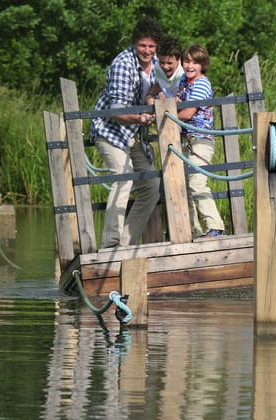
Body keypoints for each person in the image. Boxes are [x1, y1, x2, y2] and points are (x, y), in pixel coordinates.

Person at [90, 16, 162, 249]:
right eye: (143, 45)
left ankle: (127, 243)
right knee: (123, 178)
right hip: (111, 130)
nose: (147, 51)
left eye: (151, 46)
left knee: (151, 187)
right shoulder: (122, 63)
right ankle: (110, 243)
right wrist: (141, 117)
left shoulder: (159, 64)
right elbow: (116, 112)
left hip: (134, 133)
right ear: (135, 44)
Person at [176, 44, 225, 238]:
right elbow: (177, 100)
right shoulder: (183, 80)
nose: (190, 66)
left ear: (203, 65)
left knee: (196, 183)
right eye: (187, 61)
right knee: (183, 185)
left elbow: (187, 113)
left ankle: (216, 226)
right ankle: (193, 230)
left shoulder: (202, 84)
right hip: (186, 139)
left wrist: (167, 110)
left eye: (195, 62)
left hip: (201, 140)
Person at [146, 35, 184, 102]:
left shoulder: (183, 73)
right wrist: (150, 95)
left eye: (169, 63)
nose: (165, 67)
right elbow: (158, 83)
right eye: (162, 62)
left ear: (178, 60)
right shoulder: (157, 67)